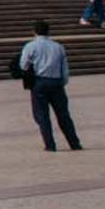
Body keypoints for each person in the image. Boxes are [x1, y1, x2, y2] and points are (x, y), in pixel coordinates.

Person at [17, 20, 80, 152]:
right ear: (48, 31)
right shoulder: (58, 47)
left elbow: (23, 65)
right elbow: (65, 70)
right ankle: (74, 143)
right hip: (56, 83)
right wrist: (62, 82)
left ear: (34, 32)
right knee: (64, 115)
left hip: (39, 83)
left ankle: (50, 145)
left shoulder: (30, 46)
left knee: (42, 116)